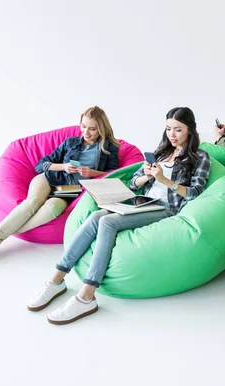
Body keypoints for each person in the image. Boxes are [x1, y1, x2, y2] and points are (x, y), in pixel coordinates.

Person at [26, 107, 211, 324]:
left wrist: (165, 181)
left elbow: (194, 192)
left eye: (178, 130)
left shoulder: (200, 157)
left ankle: (86, 296)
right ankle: (56, 279)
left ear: (190, 130)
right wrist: (148, 175)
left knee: (107, 222)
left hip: (166, 208)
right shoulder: (160, 153)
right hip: (144, 201)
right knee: (94, 217)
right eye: (169, 129)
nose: (172, 135)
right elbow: (134, 182)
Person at [0, 106, 120, 268]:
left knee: (51, 209)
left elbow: (113, 173)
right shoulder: (71, 142)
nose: (86, 133)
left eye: (92, 129)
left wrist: (91, 172)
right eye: (83, 126)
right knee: (32, 203)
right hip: (49, 178)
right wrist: (63, 167)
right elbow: (41, 165)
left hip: (70, 190)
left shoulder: (109, 148)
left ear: (102, 128)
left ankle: (4, 233)